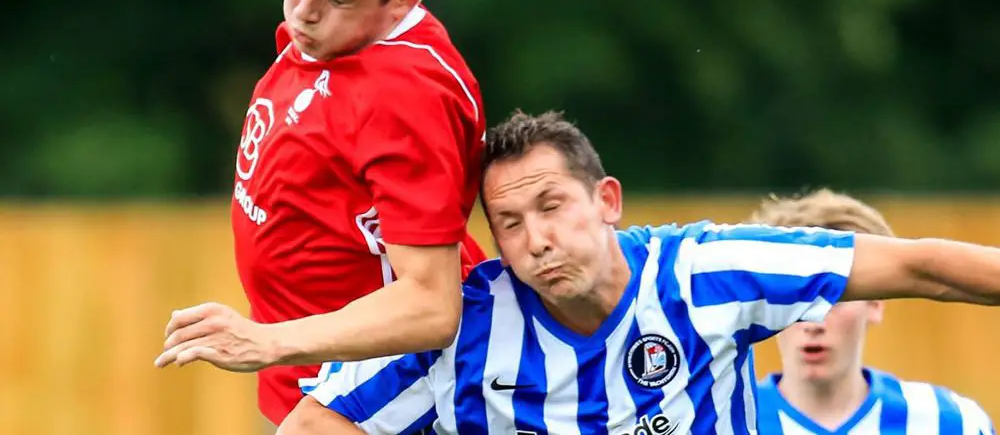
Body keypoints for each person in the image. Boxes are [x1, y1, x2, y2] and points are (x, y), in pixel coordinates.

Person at [275, 110, 1000, 435]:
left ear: (608, 201)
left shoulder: (706, 273)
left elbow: (922, 266)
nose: (536, 240)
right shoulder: (464, 325)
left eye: (552, 207)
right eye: (511, 225)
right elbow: (314, 423)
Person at [153, 0, 489, 427]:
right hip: (307, 376)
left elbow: (432, 305)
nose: (303, 10)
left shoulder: (405, 95)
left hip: (379, 391)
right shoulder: (333, 37)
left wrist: (267, 341)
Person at [751, 189, 995, 434]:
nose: (813, 324)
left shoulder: (952, 423)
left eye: (834, 298)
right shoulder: (729, 423)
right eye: (796, 299)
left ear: (877, 302)